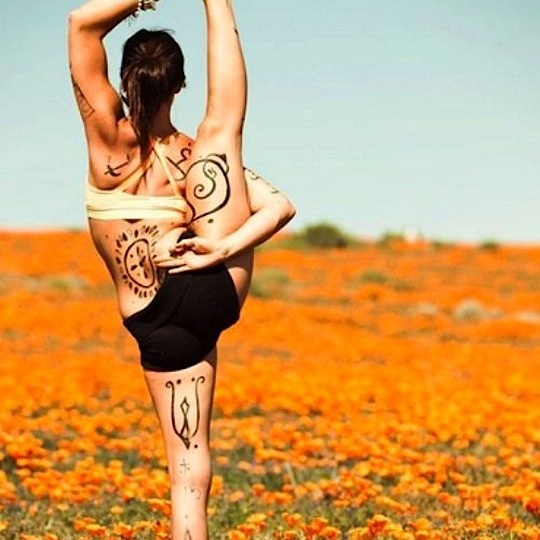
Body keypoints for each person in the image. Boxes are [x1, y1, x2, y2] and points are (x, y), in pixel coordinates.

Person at [68, 1, 295, 539]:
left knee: (184, 467)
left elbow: (80, 23)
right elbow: (281, 206)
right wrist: (221, 250)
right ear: (181, 83)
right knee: (223, 130)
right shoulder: (198, 155)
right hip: (211, 290)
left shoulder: (106, 143)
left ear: (124, 80)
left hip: (152, 322)